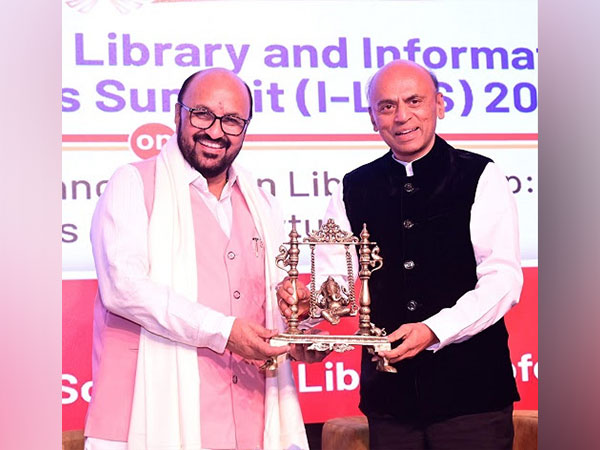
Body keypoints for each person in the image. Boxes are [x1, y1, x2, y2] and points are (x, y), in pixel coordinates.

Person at [278, 60, 523, 450]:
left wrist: (434, 329)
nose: (402, 116)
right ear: (372, 118)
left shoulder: (480, 175)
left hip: (473, 400)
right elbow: (335, 279)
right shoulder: (354, 187)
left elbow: (503, 280)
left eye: (414, 101)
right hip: (390, 404)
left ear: (439, 104)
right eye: (387, 106)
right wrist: (312, 306)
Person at [84, 68, 313, 450]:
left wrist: (296, 309)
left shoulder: (261, 202)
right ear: (178, 114)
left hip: (250, 416)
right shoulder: (134, 183)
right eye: (202, 114)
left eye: (232, 120)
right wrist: (224, 332)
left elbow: (272, 299)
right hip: (149, 415)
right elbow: (124, 289)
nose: (216, 131)